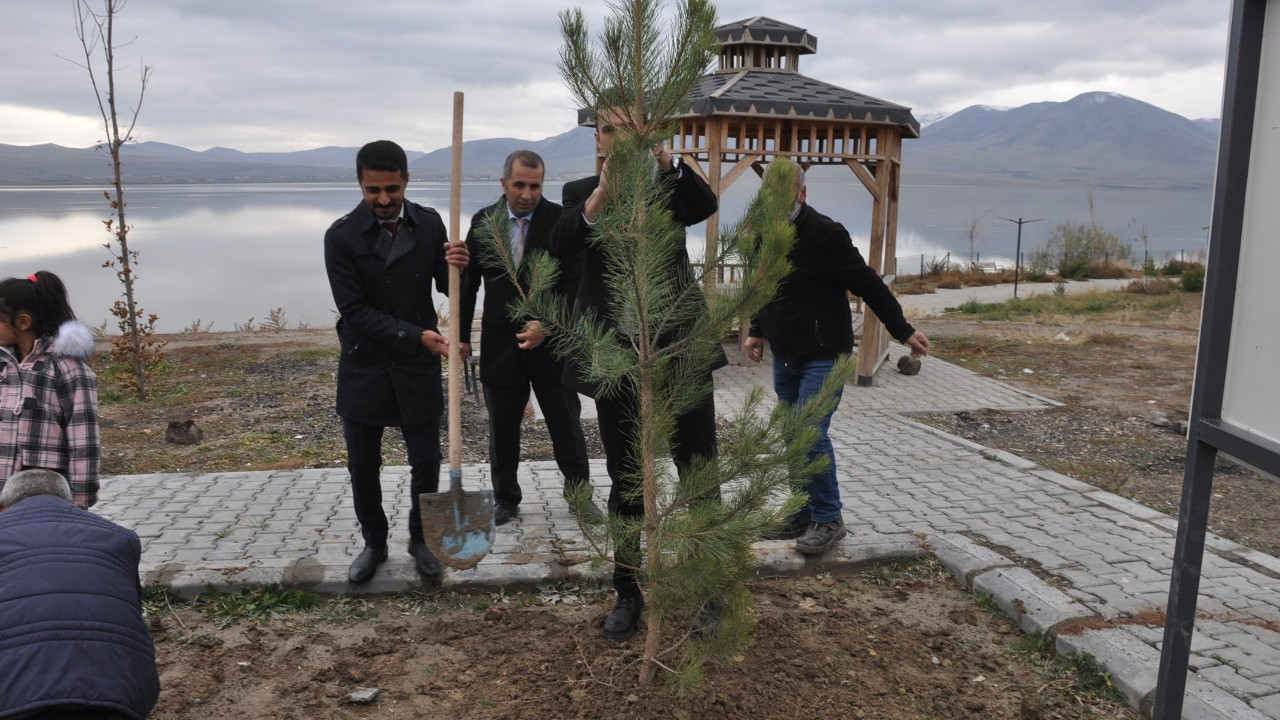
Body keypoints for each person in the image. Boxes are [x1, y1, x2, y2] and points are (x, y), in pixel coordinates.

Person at [549, 108, 724, 641]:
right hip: (616, 360)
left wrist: (667, 162)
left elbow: (706, 205)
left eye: (633, 130)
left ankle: (708, 591)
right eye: (609, 130)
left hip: (681, 354)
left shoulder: (671, 186)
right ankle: (628, 594)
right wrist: (600, 194)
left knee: (699, 475)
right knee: (627, 482)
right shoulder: (580, 190)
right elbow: (560, 244)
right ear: (598, 137)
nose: (619, 139)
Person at [743, 164, 931, 555]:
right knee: (792, 435)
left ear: (803, 194)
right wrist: (756, 329)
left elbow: (869, 284)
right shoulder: (760, 235)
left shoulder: (826, 234)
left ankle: (829, 518)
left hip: (825, 352)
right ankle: (801, 511)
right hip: (786, 354)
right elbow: (758, 286)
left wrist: (903, 330)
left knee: (809, 432)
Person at [323, 140, 469, 586]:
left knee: (424, 461)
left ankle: (421, 541)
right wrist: (415, 335)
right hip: (365, 364)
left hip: (416, 368)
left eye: (391, 188)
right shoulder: (342, 235)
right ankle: (374, 543)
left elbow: (449, 288)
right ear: (360, 184)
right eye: (373, 190)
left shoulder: (427, 223)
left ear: (406, 180)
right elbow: (354, 311)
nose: (383, 200)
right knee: (362, 466)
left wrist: (462, 266)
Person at [458, 149, 598, 526]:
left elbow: (576, 282)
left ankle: (580, 497)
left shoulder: (560, 222)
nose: (527, 193)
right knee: (502, 429)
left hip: (552, 347)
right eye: (519, 185)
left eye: (534, 186)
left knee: (566, 425)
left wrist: (547, 325)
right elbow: (467, 285)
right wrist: (460, 336)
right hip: (500, 347)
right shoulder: (484, 222)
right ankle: (505, 498)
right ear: (504, 183)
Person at [0, 469, 160, 719]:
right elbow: (134, 611)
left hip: (13, 698)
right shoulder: (120, 538)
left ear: (2, 508)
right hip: (118, 694)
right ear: (72, 502)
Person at [0, 270, 100, 508]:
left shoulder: (67, 368)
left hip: (45, 494)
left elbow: (84, 438)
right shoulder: (3, 365)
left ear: (23, 322)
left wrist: (81, 501)